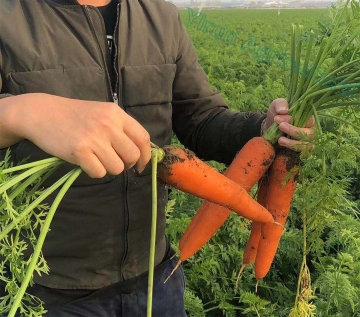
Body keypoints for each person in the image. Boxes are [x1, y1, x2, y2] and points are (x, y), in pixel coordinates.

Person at [0, 0, 314, 316]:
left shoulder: (158, 15)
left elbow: (201, 119)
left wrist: (263, 129)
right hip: (42, 289)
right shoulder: (9, 16)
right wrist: (23, 112)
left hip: (155, 278)